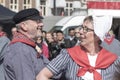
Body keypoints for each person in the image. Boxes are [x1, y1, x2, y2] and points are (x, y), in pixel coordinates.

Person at [36, 15, 120, 80]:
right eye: (81, 28)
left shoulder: (113, 60)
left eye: (86, 29)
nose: (80, 32)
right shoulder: (69, 55)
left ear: (97, 35)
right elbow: (42, 76)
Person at [3, 8, 49, 80]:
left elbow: (50, 68)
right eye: (37, 21)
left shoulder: (28, 46)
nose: (42, 24)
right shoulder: (20, 49)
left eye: (41, 21)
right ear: (24, 26)